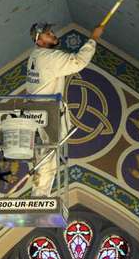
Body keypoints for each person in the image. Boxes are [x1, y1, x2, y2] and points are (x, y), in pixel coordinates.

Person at [26, 22, 104, 196]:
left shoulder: (35, 56)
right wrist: (93, 39)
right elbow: (78, 62)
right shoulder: (49, 57)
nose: (53, 35)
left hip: (37, 111)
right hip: (47, 112)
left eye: (52, 31)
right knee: (48, 157)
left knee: (44, 154)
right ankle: (39, 198)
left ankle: (38, 193)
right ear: (39, 40)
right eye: (48, 34)